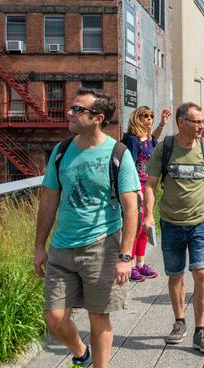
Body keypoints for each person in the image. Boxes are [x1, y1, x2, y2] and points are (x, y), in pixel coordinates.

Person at [34, 88, 140, 368]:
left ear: (98, 118)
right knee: (54, 317)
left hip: (102, 246)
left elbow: (132, 208)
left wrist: (125, 256)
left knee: (98, 316)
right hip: (61, 247)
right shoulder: (61, 151)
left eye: (78, 109)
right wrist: (39, 247)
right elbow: (48, 201)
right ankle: (81, 353)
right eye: (72, 107)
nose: (70, 112)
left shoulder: (118, 153)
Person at [143, 102, 204, 354]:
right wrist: (148, 215)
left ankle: (200, 330)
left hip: (200, 221)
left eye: (202, 122)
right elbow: (151, 184)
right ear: (181, 122)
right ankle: (180, 322)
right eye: (196, 122)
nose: (201, 126)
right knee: (176, 274)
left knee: (201, 273)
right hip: (171, 223)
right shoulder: (165, 148)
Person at [122, 105, 171, 282]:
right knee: (135, 226)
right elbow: (130, 165)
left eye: (151, 116)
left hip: (149, 186)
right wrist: (135, 189)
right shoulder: (133, 140)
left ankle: (141, 263)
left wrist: (162, 123)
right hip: (137, 187)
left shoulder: (149, 139)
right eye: (145, 116)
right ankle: (131, 264)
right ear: (137, 118)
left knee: (146, 224)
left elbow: (153, 142)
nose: (149, 119)